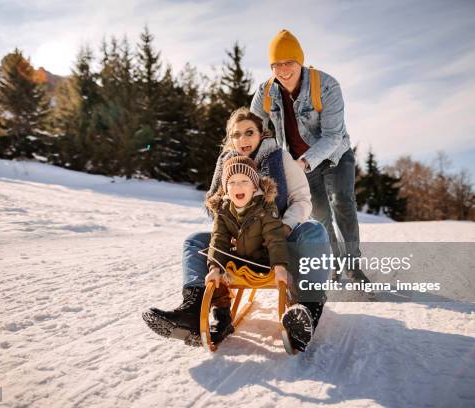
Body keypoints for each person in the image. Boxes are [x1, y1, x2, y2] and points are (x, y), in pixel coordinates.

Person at [143, 107, 332, 352]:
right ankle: (193, 309)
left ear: (262, 134)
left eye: (249, 133)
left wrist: (285, 226)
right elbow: (216, 207)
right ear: (229, 138)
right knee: (194, 241)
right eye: (236, 135)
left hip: (280, 236)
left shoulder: (279, 157)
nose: (242, 140)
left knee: (314, 231)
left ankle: (307, 310)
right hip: (242, 241)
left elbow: (303, 200)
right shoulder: (226, 163)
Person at [250, 29, 370, 284]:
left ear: (300, 61)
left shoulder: (326, 86)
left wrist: (302, 162)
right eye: (276, 65)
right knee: (319, 215)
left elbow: (333, 135)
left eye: (289, 63)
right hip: (299, 162)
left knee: (342, 203)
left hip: (335, 155)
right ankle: (335, 262)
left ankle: (353, 265)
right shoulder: (266, 93)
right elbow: (253, 130)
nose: (283, 70)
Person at [203, 156, 289, 344]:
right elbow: (219, 239)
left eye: (244, 181)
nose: (238, 187)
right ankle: (222, 314)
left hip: (263, 261)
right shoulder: (223, 209)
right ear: (225, 188)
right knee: (213, 267)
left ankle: (293, 311)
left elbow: (275, 238)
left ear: (254, 186)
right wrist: (214, 268)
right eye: (232, 182)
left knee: (286, 262)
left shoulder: (266, 206)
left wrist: (279, 265)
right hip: (239, 258)